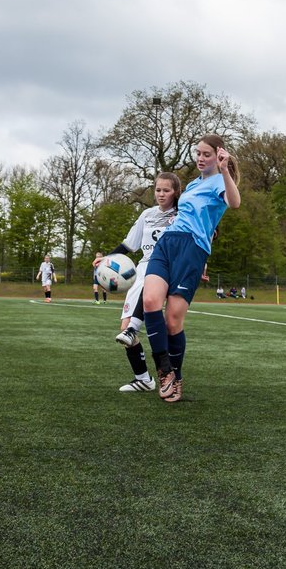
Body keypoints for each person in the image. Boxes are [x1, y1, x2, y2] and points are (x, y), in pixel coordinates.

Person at [141, 134, 241, 403]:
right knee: (150, 300)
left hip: (192, 251)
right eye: (198, 153)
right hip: (168, 243)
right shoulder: (194, 183)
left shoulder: (221, 182)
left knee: (173, 320)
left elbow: (234, 203)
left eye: (206, 154)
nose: (200, 157)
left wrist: (224, 171)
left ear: (218, 155)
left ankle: (178, 377)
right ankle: (164, 371)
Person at [97, 172, 181, 392]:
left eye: (166, 190)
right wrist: (106, 258)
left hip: (165, 269)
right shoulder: (147, 214)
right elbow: (128, 246)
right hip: (141, 269)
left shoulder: (182, 215)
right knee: (123, 329)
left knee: (145, 320)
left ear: (176, 192)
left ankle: (166, 369)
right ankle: (144, 379)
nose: (161, 194)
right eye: (158, 190)